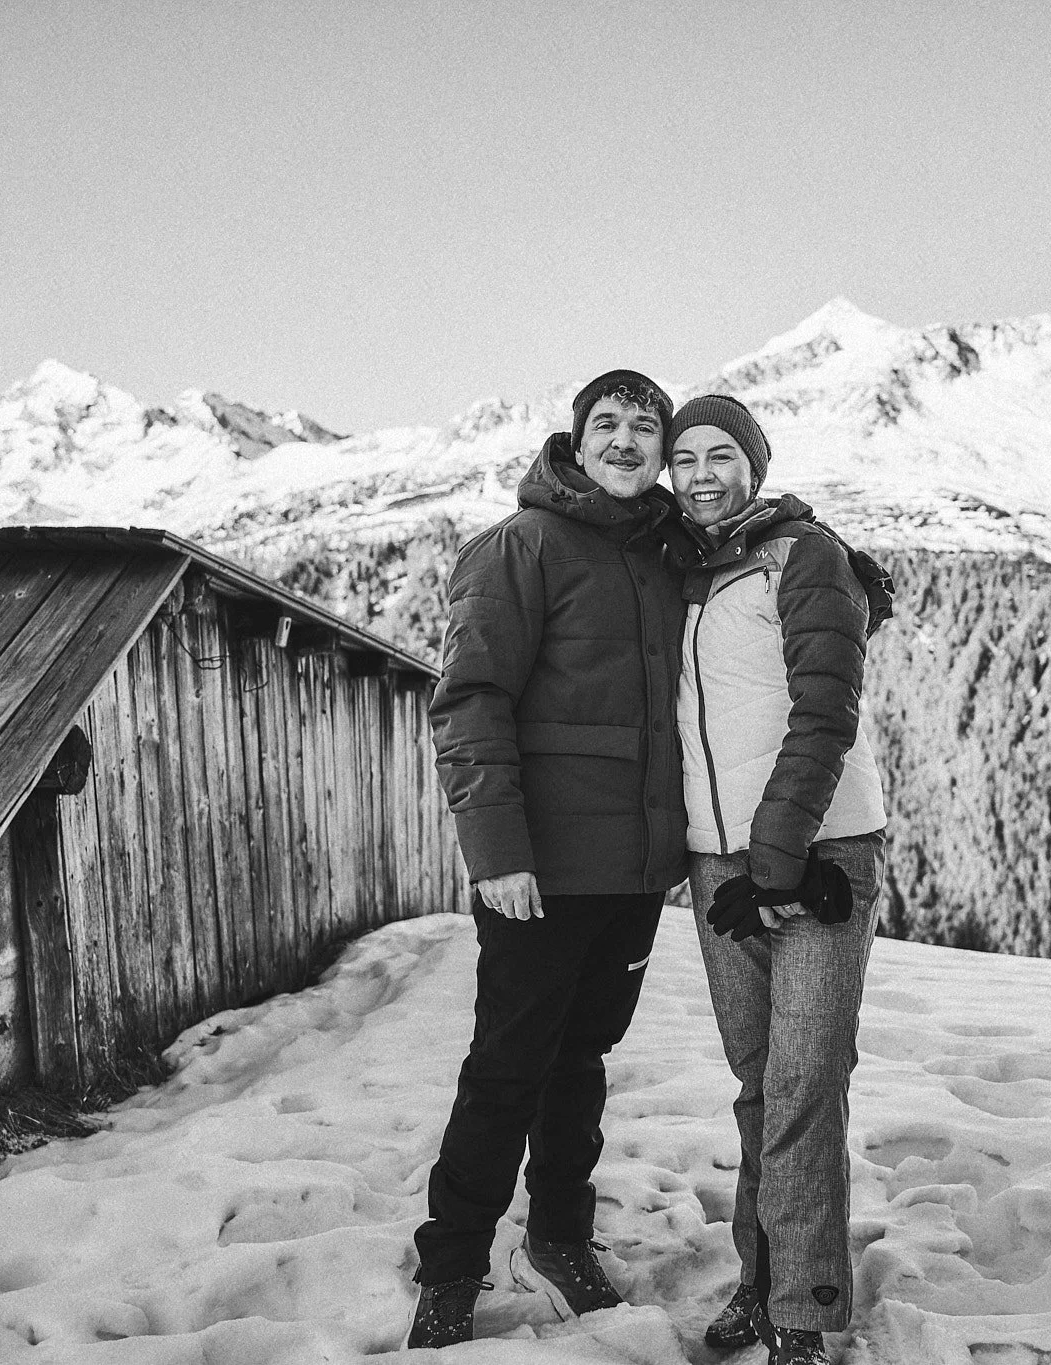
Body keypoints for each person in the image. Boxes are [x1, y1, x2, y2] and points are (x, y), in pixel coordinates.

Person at [407, 370, 690, 1349]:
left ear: (663, 446)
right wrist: (496, 852)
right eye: (604, 425)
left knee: (581, 1061)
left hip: (632, 874)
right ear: (573, 442)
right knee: (506, 1068)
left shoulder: (667, 556)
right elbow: (468, 701)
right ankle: (449, 1265)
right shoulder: (518, 548)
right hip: (536, 871)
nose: (623, 441)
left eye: (642, 427)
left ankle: (560, 1237)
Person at [667, 394, 888, 1365]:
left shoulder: (804, 556)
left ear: (754, 464)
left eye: (722, 454)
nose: (702, 472)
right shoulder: (679, 571)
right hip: (721, 862)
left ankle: (802, 1309)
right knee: (759, 1084)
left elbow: (824, 711)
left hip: (816, 855)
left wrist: (776, 862)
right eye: (685, 457)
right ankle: (758, 1283)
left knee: (803, 1084)